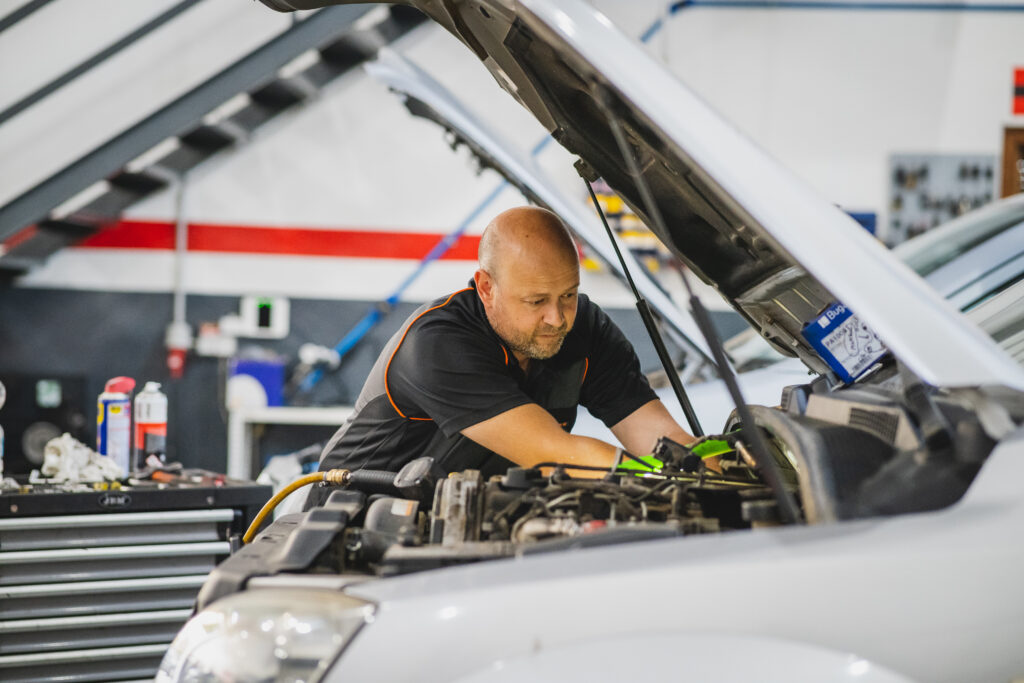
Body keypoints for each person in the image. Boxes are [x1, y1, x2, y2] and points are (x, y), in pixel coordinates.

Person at [311, 206, 695, 502]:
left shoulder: (585, 329)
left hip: (466, 528)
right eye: (536, 300)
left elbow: (663, 440)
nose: (556, 318)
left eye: (568, 295)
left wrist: (721, 466)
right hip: (350, 530)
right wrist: (670, 478)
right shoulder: (437, 343)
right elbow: (555, 454)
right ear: (486, 287)